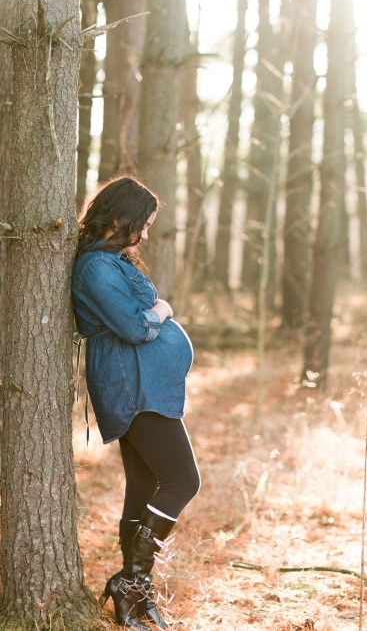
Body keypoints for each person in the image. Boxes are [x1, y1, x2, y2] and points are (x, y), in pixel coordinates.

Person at [72, 175, 200, 629]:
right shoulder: (95, 268)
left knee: (144, 489)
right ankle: (131, 583)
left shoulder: (111, 261)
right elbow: (134, 327)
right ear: (120, 216)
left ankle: (131, 592)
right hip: (132, 386)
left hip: (143, 383)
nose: (144, 235)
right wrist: (162, 310)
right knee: (183, 479)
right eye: (142, 225)